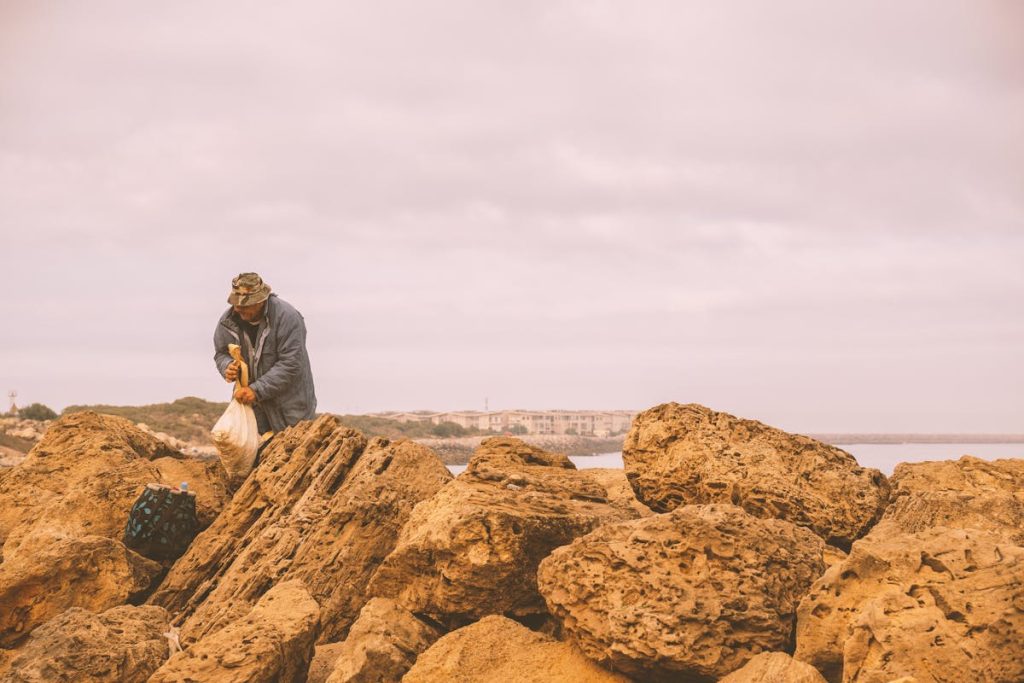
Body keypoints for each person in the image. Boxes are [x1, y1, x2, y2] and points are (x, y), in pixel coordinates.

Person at [214, 272, 316, 436]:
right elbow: (221, 353)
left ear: (261, 301)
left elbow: (291, 364)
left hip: (290, 407)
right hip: (253, 405)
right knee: (254, 455)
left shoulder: (287, 317)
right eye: (235, 303)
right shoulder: (228, 321)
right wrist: (227, 367)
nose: (238, 308)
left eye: (245, 305)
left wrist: (257, 390)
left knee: (292, 453)